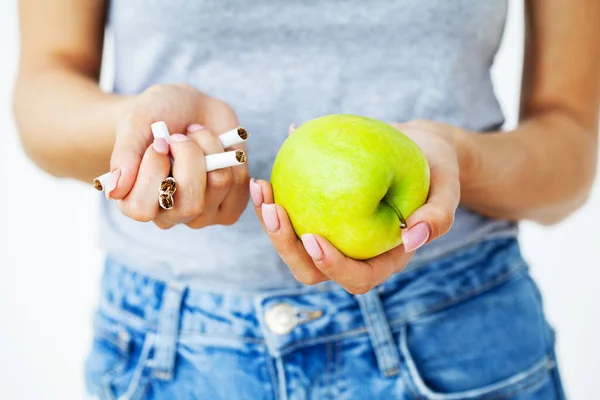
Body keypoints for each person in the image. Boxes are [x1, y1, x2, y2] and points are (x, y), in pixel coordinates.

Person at [13, 0, 599, 398]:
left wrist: (459, 157)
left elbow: (570, 150)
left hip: (458, 337)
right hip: (174, 355)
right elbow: (44, 90)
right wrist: (140, 135)